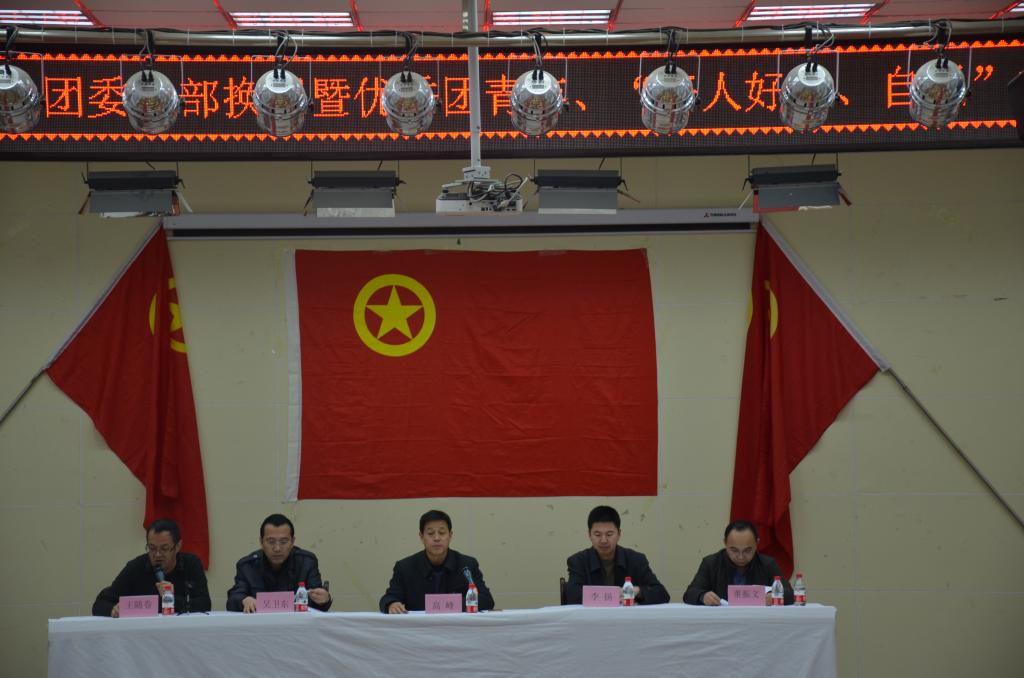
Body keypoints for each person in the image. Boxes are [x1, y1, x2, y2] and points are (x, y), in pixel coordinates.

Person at [380, 509, 495, 613]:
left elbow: (486, 600)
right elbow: (389, 598)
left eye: (442, 532)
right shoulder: (405, 567)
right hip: (420, 627)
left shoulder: (467, 565)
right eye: (430, 533)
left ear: (450, 535)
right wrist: (392, 604)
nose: (436, 538)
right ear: (421, 537)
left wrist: (449, 603)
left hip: (457, 626)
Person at [92, 518, 211, 617]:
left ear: (178, 546)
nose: (157, 555)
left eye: (164, 548)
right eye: (152, 548)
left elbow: (205, 604)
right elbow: (100, 604)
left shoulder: (191, 564)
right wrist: (112, 610)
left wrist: (171, 599)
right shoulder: (136, 567)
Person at [564, 505, 669, 605]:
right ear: (589, 535)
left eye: (609, 534)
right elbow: (572, 596)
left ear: (619, 534)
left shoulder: (636, 560)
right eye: (597, 534)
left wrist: (635, 591)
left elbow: (661, 593)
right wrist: (613, 595)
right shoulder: (578, 561)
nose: (604, 540)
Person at [226, 513, 332, 612]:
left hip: (296, 624)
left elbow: (317, 606)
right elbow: (233, 599)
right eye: (271, 542)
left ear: (292, 542)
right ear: (261, 542)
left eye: (283, 542)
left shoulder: (306, 562)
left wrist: (324, 600)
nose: (277, 548)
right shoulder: (247, 566)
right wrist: (244, 600)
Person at [682, 520, 795, 605]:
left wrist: (774, 597)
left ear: (757, 543)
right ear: (725, 543)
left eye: (747, 550)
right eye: (734, 550)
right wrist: (702, 596)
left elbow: (790, 594)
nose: (741, 557)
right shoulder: (711, 563)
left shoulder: (767, 564)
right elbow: (690, 593)